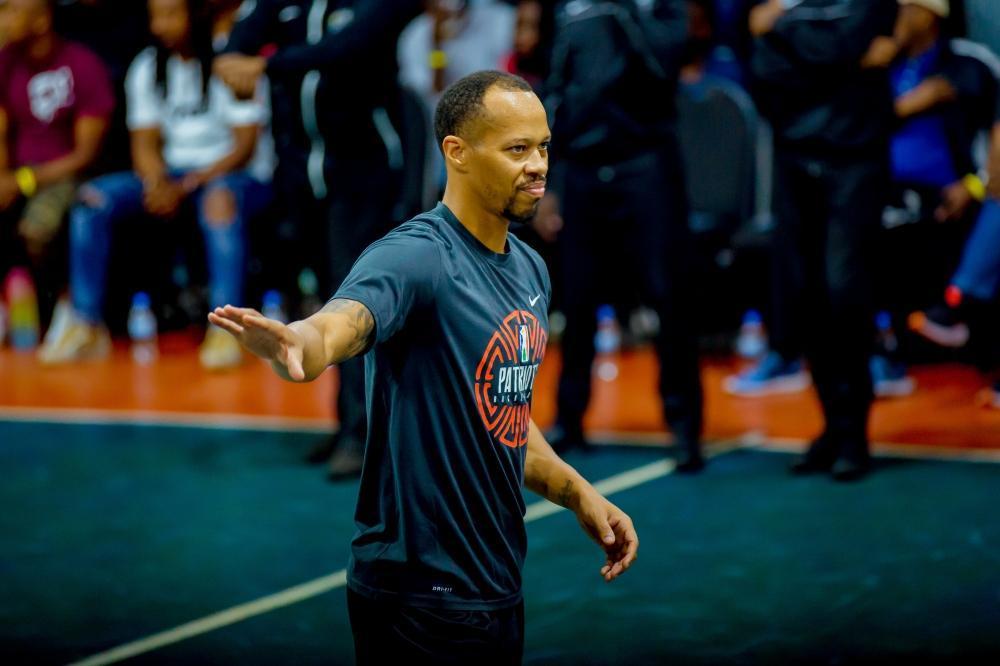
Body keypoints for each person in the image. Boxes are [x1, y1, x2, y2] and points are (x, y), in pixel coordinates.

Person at [208, 71, 639, 664]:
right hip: (417, 601)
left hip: (495, 584)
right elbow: (341, 323)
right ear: (456, 152)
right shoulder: (416, 256)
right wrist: (299, 346)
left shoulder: (530, 269)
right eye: (517, 149)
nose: (538, 165)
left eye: (543, 146)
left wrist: (578, 493)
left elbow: (503, 417)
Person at [218, 0, 425, 479]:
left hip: (364, 175)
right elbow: (244, 34)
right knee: (325, 302)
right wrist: (233, 59)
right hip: (302, 177)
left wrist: (265, 66)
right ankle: (348, 421)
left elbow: (345, 48)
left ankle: (364, 431)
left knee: (356, 305)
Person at [37, 0, 272, 368]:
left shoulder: (229, 61)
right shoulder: (147, 67)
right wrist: (156, 183)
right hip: (173, 174)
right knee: (91, 199)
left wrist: (188, 184)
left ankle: (227, 327)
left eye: (171, 14)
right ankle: (86, 323)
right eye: (155, 16)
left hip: (232, 176)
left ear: (195, 14)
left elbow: (244, 147)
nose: (160, 25)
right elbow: (144, 144)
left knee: (219, 201)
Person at [542, 0, 706, 473]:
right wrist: (549, 179)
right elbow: (555, 90)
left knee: (668, 299)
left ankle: (684, 427)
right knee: (577, 302)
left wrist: (626, 8)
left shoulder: (660, 6)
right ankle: (569, 419)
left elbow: (664, 64)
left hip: (645, 164)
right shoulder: (569, 7)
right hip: (583, 170)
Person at [749, 0, 899, 481]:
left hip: (855, 161)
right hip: (796, 161)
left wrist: (785, 32)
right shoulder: (789, 6)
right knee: (805, 295)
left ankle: (855, 432)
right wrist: (841, 59)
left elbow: (845, 40)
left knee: (844, 292)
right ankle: (832, 426)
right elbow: (765, 68)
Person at [0, 0, 114, 327]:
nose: (3, 19)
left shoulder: (82, 65)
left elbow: (85, 155)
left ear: (41, 19)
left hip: (68, 174)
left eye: (11, 10)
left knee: (38, 228)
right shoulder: (6, 63)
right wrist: (3, 177)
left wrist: (22, 180)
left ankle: (63, 310)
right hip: (17, 174)